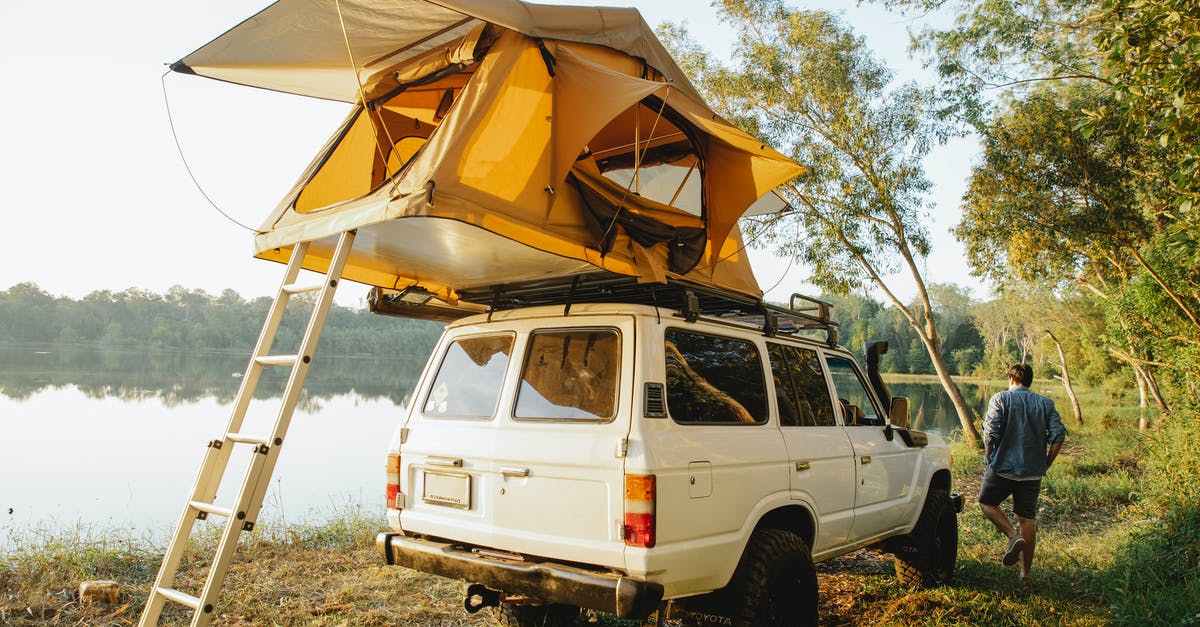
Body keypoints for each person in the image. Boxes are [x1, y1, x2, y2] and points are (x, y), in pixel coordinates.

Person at [978, 363, 1066, 583]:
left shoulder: (1000, 398)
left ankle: (1012, 536)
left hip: (1003, 468)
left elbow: (991, 429)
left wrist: (988, 454)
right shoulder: (1045, 403)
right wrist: (1046, 463)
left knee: (986, 502)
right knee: (1027, 518)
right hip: (1032, 472)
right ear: (1029, 381)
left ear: (1011, 379)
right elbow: (1058, 436)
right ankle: (1025, 574)